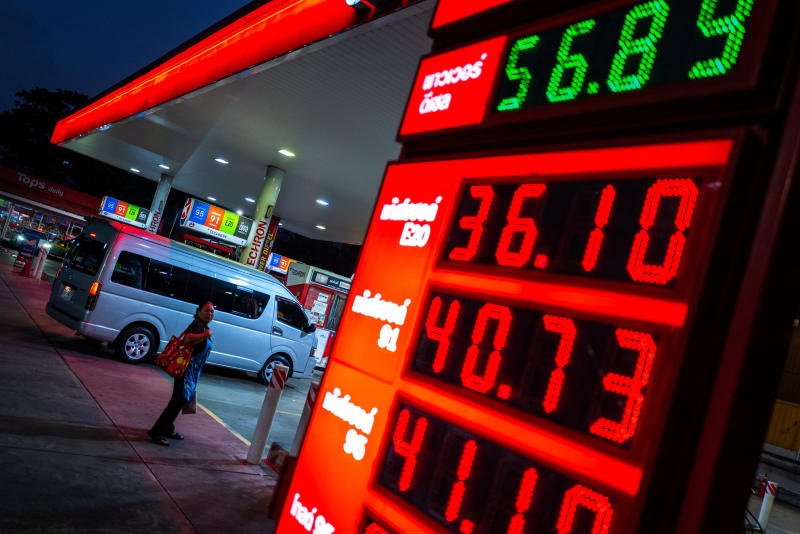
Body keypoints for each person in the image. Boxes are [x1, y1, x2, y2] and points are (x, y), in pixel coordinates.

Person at [147, 301, 214, 446]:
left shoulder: (203, 326)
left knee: (179, 400)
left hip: (190, 372)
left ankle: (168, 428)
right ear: (199, 312)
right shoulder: (198, 325)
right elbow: (187, 339)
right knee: (176, 401)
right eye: (207, 310)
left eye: (212, 312)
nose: (210, 313)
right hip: (184, 369)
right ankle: (156, 432)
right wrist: (206, 334)